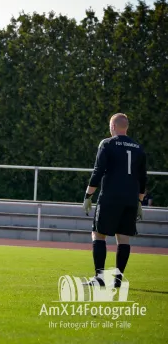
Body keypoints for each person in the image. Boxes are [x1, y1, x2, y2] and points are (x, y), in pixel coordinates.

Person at [82, 113, 147, 287]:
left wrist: (88, 195)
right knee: (123, 238)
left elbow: (98, 171)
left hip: (110, 197)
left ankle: (99, 278)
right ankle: (118, 280)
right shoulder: (138, 147)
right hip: (131, 200)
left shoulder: (107, 143)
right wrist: (140, 201)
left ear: (112, 127)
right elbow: (143, 178)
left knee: (98, 234)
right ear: (126, 127)